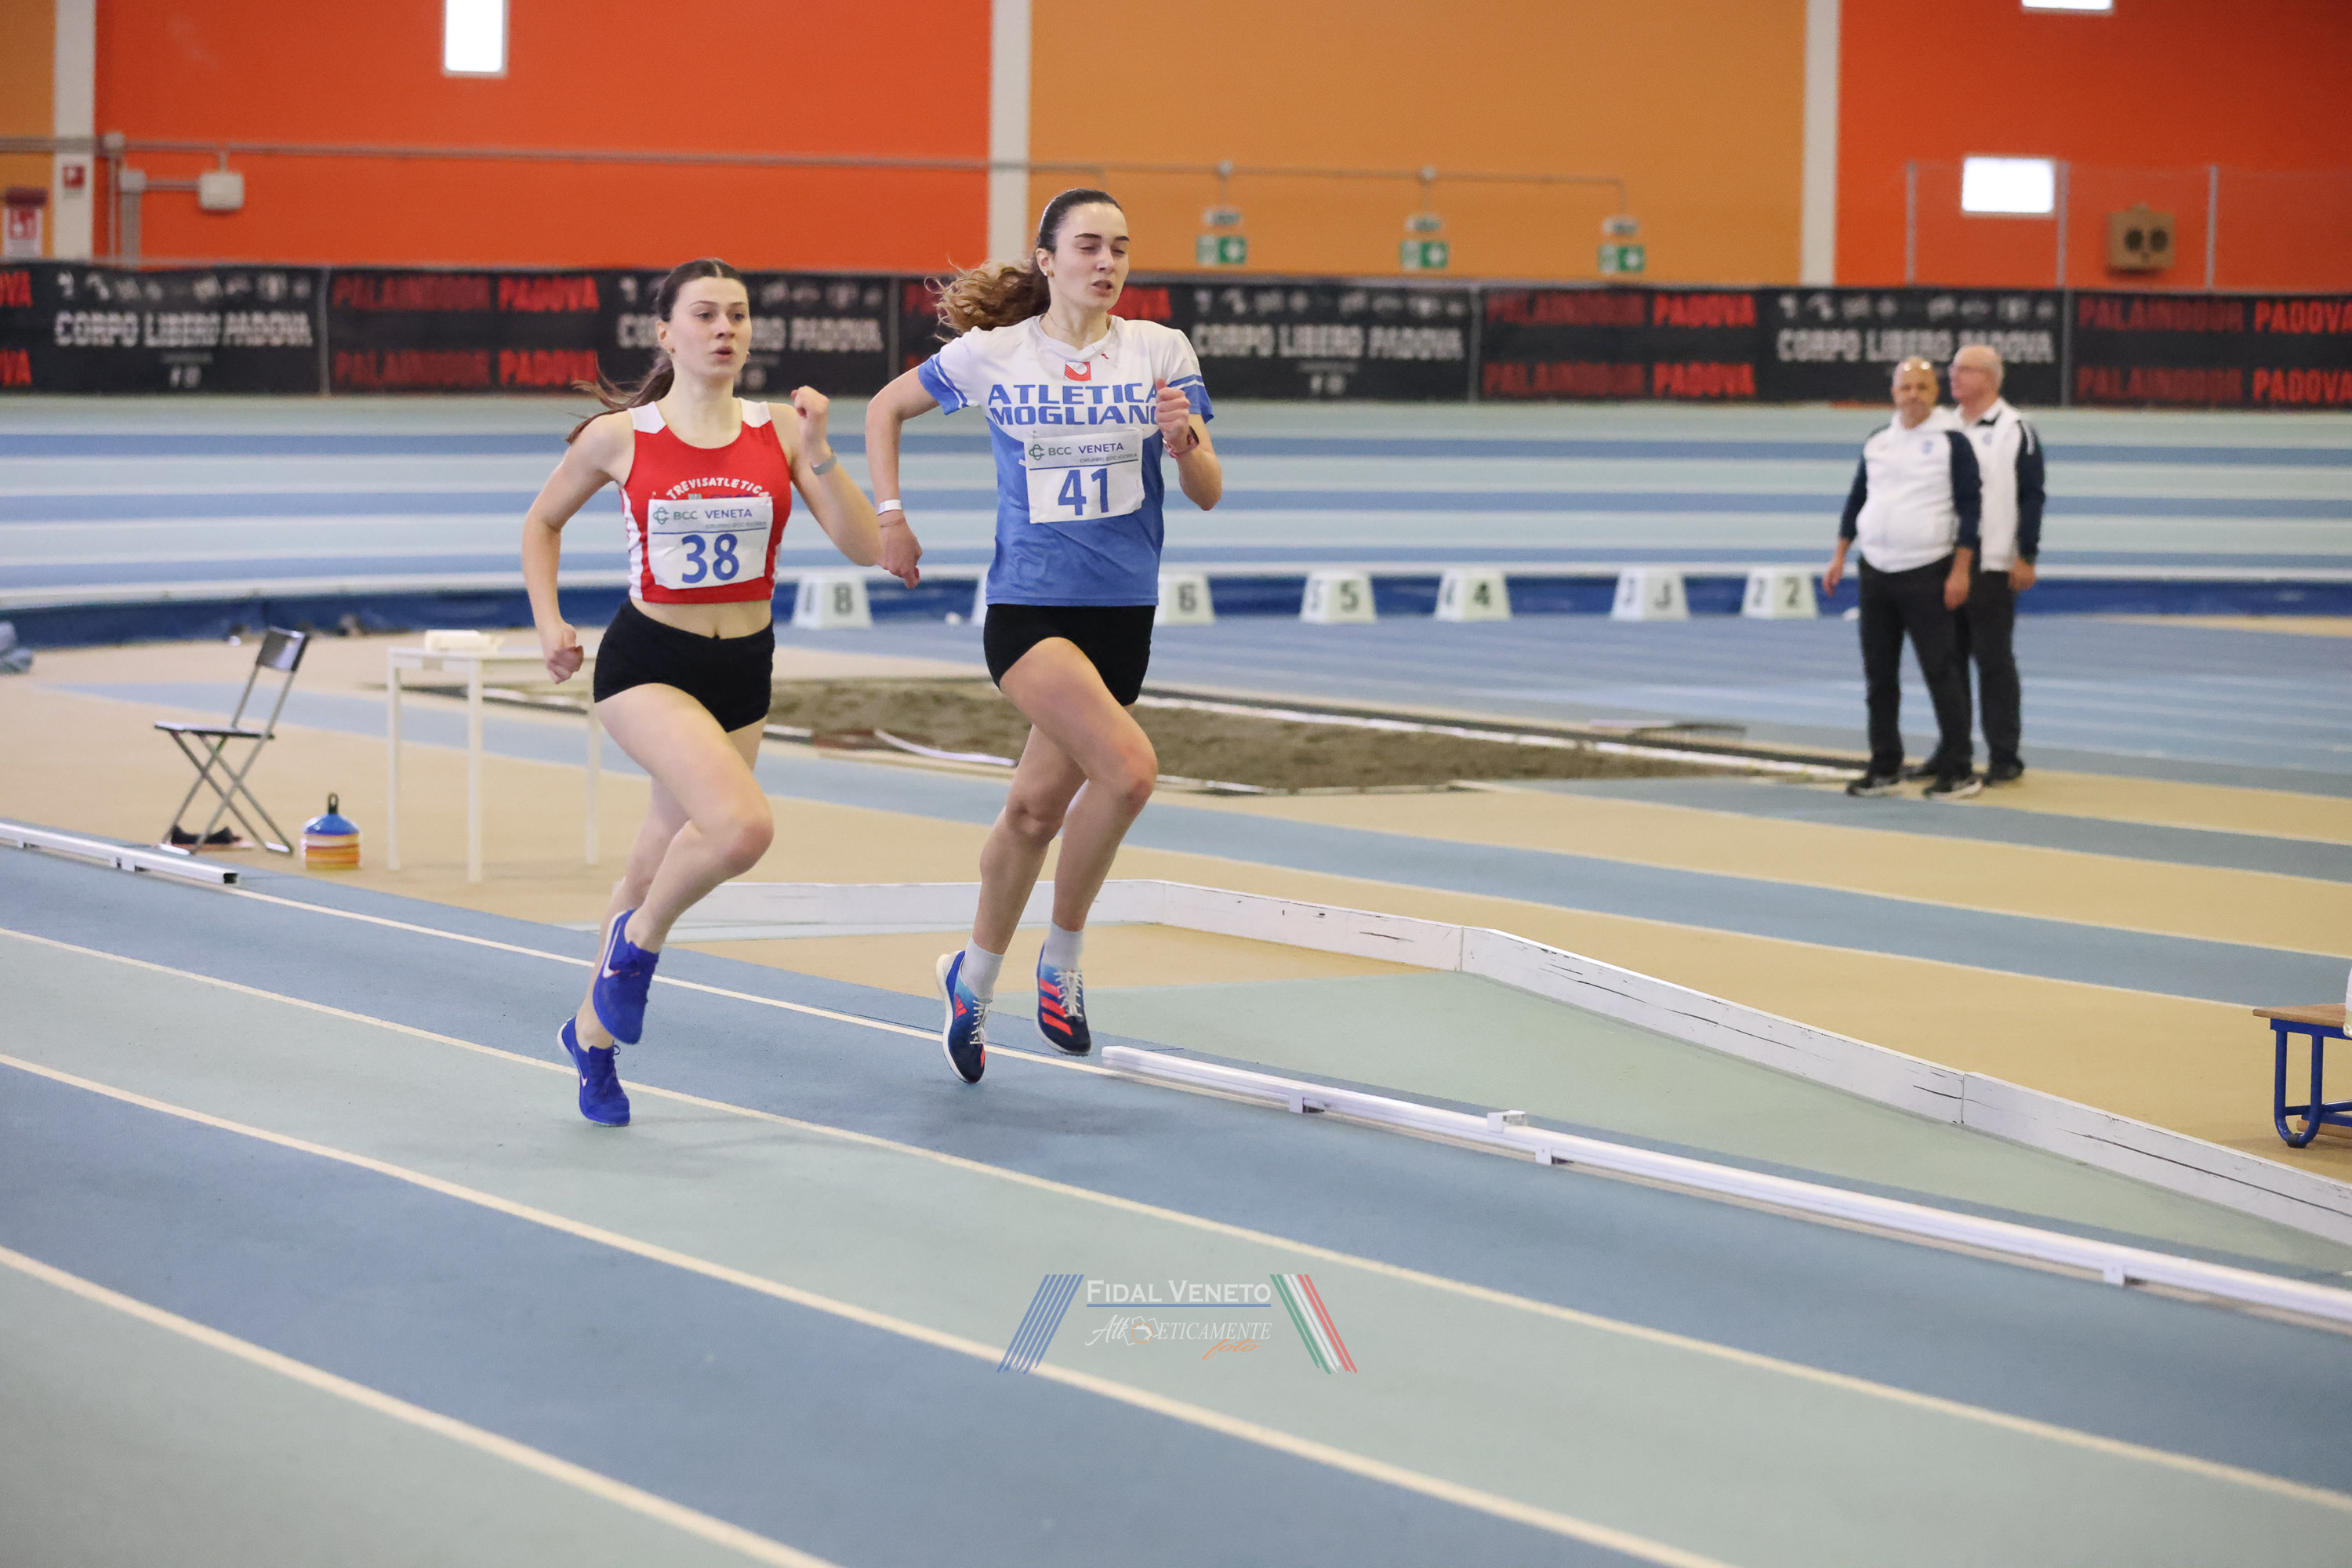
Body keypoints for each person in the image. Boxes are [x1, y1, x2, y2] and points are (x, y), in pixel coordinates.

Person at [520, 256, 916, 1127]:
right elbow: (542, 521)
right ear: (666, 332)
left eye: (737, 313)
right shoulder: (621, 436)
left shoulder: (781, 430)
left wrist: (822, 450)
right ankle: (636, 950)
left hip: (743, 669)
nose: (725, 328)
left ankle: (590, 1038)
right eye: (705, 314)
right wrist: (549, 622)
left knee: (654, 860)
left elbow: (864, 549)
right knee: (742, 827)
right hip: (648, 662)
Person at [862, 189, 1221, 1084]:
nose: (1107, 262)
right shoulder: (996, 353)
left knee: (1032, 811)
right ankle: (1060, 961)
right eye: (1089, 246)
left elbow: (1209, 491)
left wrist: (1184, 443)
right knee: (1129, 770)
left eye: (1121, 248)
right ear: (1049, 259)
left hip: (1123, 614)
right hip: (1030, 610)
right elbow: (884, 408)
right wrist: (891, 516)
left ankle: (971, 977)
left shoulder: (1160, 351)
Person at [1822, 355, 1984, 800]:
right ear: (1894, 393)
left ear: (1935, 393)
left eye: (1922, 387)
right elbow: (1858, 497)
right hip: (1875, 571)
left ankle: (1958, 768)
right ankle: (1885, 765)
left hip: (1928, 571)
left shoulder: (1952, 441)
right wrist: (1840, 555)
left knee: (1941, 671)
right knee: (1879, 675)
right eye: (1905, 387)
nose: (1913, 395)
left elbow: (1971, 509)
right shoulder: (1878, 441)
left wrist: (1961, 570)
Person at [1919, 343, 2042, 786]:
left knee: (1992, 660)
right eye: (1952, 369)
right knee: (1946, 662)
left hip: (1992, 564)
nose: (1952, 377)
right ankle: (1952, 750)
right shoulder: (1940, 425)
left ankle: (2004, 754)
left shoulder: (2015, 429)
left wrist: (2026, 555)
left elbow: (2031, 496)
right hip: (1942, 561)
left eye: (1963, 370)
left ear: (1989, 378)